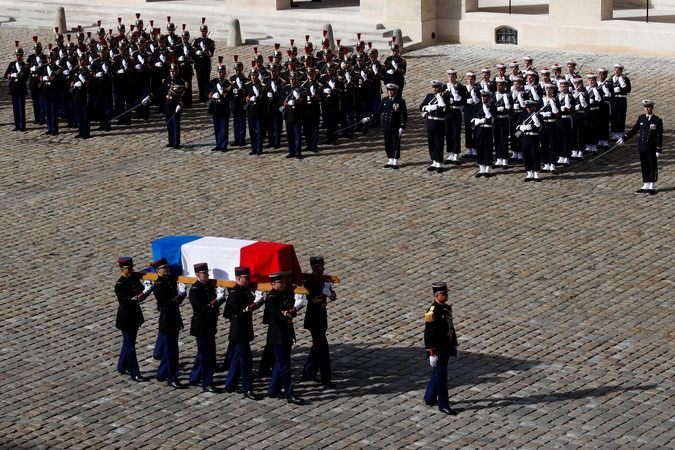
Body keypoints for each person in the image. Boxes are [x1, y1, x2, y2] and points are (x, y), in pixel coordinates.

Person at [223, 266, 265, 400]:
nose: (248, 280)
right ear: (238, 279)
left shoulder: (245, 290)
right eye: (246, 278)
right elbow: (241, 311)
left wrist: (257, 302)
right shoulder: (235, 293)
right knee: (246, 359)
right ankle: (247, 388)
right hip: (239, 330)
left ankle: (230, 383)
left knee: (237, 357)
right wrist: (255, 303)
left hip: (245, 328)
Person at [266, 272, 304, 404]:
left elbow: (290, 307)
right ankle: (290, 393)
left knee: (280, 363)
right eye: (280, 283)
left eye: (283, 282)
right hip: (278, 336)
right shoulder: (271, 298)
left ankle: (273, 390)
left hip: (286, 333)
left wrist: (295, 306)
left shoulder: (285, 294)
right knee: (285, 365)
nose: (283, 285)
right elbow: (279, 315)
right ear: (273, 284)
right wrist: (292, 311)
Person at [188, 262, 226, 393]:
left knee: (203, 353)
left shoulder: (207, 287)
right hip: (201, 326)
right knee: (206, 356)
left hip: (209, 325)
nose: (208, 275)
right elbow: (204, 308)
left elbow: (213, 303)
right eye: (205, 273)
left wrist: (220, 299)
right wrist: (218, 300)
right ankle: (207, 382)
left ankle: (194, 377)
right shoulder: (195, 290)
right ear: (198, 275)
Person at [301, 256, 337, 389]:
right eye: (321, 266)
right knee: (323, 350)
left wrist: (329, 293)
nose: (323, 268)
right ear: (315, 267)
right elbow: (313, 299)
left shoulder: (323, 280)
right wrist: (324, 293)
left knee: (317, 347)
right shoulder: (310, 281)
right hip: (314, 318)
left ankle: (308, 373)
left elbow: (333, 296)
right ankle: (326, 379)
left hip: (322, 317)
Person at [114, 257, 152, 382]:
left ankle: (121, 366)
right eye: (128, 269)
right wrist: (145, 292)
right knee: (130, 346)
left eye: (131, 268)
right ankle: (134, 372)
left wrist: (147, 289)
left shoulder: (133, 279)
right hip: (126, 317)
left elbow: (140, 291)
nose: (131, 270)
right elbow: (131, 300)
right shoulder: (120, 285)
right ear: (122, 270)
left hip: (135, 315)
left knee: (128, 342)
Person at [423, 282, 459, 415]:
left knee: (437, 373)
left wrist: (454, 343)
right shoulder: (433, 312)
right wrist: (431, 353)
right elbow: (429, 335)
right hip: (438, 350)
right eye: (444, 294)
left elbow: (450, 327)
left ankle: (429, 397)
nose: (447, 295)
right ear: (437, 296)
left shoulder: (445, 308)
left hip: (446, 348)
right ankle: (444, 405)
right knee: (442, 377)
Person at [151, 258, 186, 389]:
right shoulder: (159, 285)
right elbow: (169, 303)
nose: (168, 270)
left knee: (169, 349)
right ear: (158, 270)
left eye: (167, 267)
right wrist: (181, 295)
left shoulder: (168, 281)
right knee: (172, 351)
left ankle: (162, 373)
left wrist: (180, 295)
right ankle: (172, 378)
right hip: (167, 320)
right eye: (165, 268)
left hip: (174, 318)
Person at [617, 100, 663, 195]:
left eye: (649, 107)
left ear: (652, 108)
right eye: (645, 107)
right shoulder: (641, 118)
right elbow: (634, 130)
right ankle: (646, 183)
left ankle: (652, 184)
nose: (647, 109)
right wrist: (625, 137)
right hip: (642, 146)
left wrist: (659, 148)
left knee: (651, 165)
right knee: (644, 165)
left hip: (651, 146)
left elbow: (659, 136)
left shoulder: (657, 120)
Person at [362, 83, 407, 169]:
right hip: (386, 126)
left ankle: (395, 160)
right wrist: (369, 118)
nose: (390, 92)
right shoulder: (384, 101)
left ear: (395, 91)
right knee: (388, 143)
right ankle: (390, 159)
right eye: (389, 90)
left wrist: (402, 126)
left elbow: (404, 115)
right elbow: (378, 113)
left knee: (395, 143)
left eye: (392, 90)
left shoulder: (400, 101)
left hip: (395, 126)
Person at [143, 62, 187, 149]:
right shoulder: (167, 80)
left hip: (175, 105)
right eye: (171, 71)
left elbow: (184, 94)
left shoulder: (181, 82)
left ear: (177, 72)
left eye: (174, 71)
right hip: (167, 105)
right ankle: (171, 141)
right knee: (169, 124)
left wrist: (181, 104)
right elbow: (160, 89)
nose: (172, 73)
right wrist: (150, 96)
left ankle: (176, 142)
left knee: (175, 125)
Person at [420, 80, 447, 173]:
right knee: (431, 142)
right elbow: (421, 107)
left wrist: (439, 97)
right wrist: (428, 108)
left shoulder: (444, 96)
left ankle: (439, 162)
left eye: (436, 87)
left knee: (438, 143)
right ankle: (434, 161)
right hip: (430, 122)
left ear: (440, 88)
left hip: (439, 122)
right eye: (433, 87)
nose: (434, 89)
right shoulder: (429, 96)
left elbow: (444, 108)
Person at [206, 57, 233, 151]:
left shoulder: (227, 83)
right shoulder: (213, 82)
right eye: (218, 72)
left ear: (225, 73)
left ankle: (224, 145)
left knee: (224, 128)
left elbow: (230, 96)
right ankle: (218, 144)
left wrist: (223, 93)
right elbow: (207, 91)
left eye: (221, 72)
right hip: (215, 107)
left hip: (223, 107)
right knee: (217, 127)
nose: (220, 74)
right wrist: (210, 95)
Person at [442, 68, 466, 165]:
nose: (451, 78)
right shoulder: (445, 87)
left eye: (452, 76)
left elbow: (463, 101)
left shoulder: (460, 87)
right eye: (449, 76)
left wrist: (457, 96)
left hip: (456, 111)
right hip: (448, 111)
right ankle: (450, 153)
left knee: (456, 133)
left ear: (456, 77)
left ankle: (456, 154)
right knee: (448, 133)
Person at [514, 100, 543, 182]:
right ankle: (529, 172)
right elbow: (516, 125)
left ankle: (536, 172)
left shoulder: (538, 116)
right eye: (527, 107)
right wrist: (521, 127)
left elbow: (541, 128)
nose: (528, 109)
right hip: (525, 137)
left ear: (534, 107)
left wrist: (536, 122)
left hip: (534, 137)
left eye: (530, 107)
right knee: (526, 155)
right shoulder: (523, 114)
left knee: (535, 155)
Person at [5, 44, 29, 132]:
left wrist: (20, 75)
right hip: (13, 89)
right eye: (16, 55)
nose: (17, 56)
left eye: (18, 55)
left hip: (21, 88)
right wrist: (11, 75)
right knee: (15, 108)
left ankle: (22, 125)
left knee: (21, 108)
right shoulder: (12, 64)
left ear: (22, 55)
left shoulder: (25, 65)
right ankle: (17, 125)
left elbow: (26, 77)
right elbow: (6, 74)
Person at [473, 90, 497, 178]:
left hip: (487, 130)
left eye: (485, 97)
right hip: (479, 130)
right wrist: (478, 121)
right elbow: (472, 117)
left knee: (487, 149)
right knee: (480, 149)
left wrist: (486, 110)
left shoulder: (492, 107)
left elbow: (493, 119)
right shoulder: (477, 106)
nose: (483, 98)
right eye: (482, 97)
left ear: (489, 98)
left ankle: (487, 168)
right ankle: (481, 167)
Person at [610, 63, 631, 141]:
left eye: (618, 70)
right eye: (615, 70)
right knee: (613, 117)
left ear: (621, 71)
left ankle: (620, 134)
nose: (616, 72)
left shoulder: (625, 79)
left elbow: (628, 89)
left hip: (621, 100)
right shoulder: (612, 78)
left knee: (620, 117)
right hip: (614, 100)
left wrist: (621, 89)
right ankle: (614, 134)